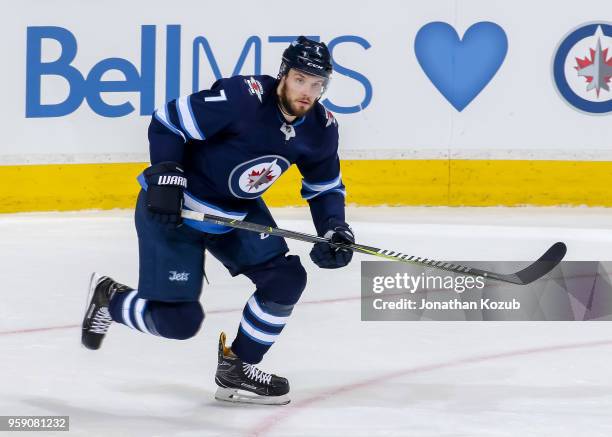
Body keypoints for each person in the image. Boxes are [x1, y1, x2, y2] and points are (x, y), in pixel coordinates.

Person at [81, 36, 354, 405]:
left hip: (235, 213)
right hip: (176, 210)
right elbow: (167, 122)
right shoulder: (242, 98)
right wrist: (166, 174)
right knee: (179, 323)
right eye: (301, 79)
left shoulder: (321, 128)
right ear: (283, 75)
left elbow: (324, 187)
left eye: (318, 83)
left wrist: (334, 228)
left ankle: (237, 367)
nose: (308, 91)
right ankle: (110, 300)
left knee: (286, 279)